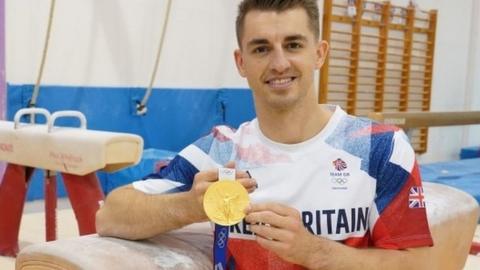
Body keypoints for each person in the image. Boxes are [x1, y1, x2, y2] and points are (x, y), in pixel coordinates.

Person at [96, 0, 433, 269]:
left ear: (320, 53)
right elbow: (109, 215)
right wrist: (191, 206)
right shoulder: (219, 150)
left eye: (294, 44)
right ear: (241, 62)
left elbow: (418, 265)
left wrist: (316, 253)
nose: (280, 63)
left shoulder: (378, 148)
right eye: (261, 49)